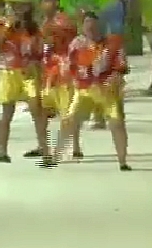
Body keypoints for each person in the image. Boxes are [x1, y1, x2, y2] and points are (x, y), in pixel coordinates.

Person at [50, 12, 131, 170]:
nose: (91, 28)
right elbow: (70, 66)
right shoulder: (77, 44)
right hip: (84, 89)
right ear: (83, 27)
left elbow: (122, 66)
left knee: (117, 123)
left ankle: (123, 161)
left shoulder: (113, 43)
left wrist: (116, 76)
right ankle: (56, 155)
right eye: (87, 25)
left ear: (101, 26)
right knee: (69, 120)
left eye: (94, 25)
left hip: (106, 90)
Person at [0, 3, 49, 163]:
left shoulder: (33, 28)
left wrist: (38, 65)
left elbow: (40, 50)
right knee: (7, 113)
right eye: (13, 7)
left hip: (29, 71)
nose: (17, 10)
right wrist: (8, 26)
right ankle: (3, 152)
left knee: (37, 109)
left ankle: (43, 147)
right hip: (9, 71)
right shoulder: (1, 26)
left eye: (21, 7)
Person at [33, 0, 78, 159]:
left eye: (51, 1)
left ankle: (73, 147)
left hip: (63, 69)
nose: (48, 4)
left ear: (57, 2)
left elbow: (61, 41)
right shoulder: (45, 21)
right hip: (49, 70)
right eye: (45, 1)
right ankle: (43, 146)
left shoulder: (62, 21)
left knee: (66, 109)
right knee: (43, 110)